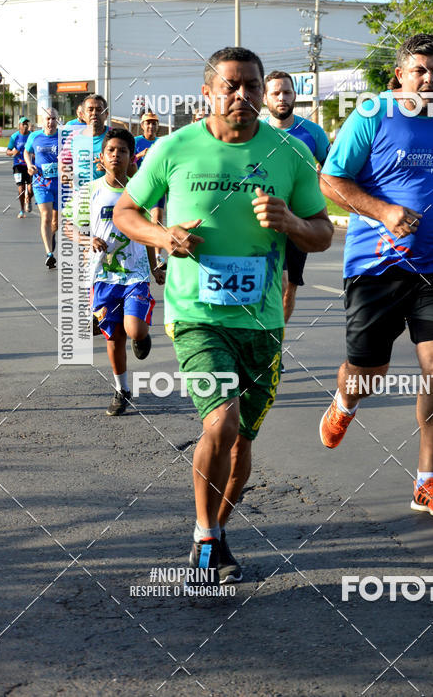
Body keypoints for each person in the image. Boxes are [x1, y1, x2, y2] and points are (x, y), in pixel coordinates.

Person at [114, 46, 333, 581]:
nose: (242, 95)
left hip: (261, 321)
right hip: (196, 316)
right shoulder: (175, 148)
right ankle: (206, 535)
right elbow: (126, 211)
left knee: (242, 443)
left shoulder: (289, 152)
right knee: (222, 419)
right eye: (230, 86)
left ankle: (213, 531)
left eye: (251, 86)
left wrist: (290, 223)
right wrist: (163, 236)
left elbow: (323, 231)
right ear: (208, 92)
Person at [319, 33, 433, 518]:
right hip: (375, 264)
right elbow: (331, 180)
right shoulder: (372, 114)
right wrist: (385, 211)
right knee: (370, 372)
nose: (430, 79)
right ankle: (345, 403)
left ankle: (427, 480)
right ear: (400, 75)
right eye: (420, 70)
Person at [63, 128, 165, 416]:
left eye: (122, 151)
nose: (116, 155)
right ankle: (121, 390)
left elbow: (148, 233)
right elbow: (68, 226)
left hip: (135, 274)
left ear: (132, 156)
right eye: (111, 150)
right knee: (114, 337)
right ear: (101, 157)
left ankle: (142, 336)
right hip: (102, 276)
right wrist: (87, 239)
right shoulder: (91, 191)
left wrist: (156, 264)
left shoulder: (141, 192)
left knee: (133, 330)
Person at [263, 70, 331, 324]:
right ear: (264, 98)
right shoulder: (256, 132)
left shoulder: (312, 133)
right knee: (275, 282)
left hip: (298, 221)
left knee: (289, 287)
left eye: (287, 92)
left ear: (295, 95)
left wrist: (318, 181)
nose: (282, 97)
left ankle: (275, 348)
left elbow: (334, 173)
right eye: (275, 93)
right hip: (263, 219)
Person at [24, 108, 60, 268]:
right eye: (48, 119)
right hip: (41, 183)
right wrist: (30, 164)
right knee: (45, 216)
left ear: (58, 120)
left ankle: (51, 236)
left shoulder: (64, 137)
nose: (50, 122)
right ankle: (49, 253)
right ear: (42, 121)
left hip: (60, 184)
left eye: (53, 119)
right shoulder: (34, 136)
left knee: (55, 222)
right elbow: (26, 151)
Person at [134, 111, 165, 267]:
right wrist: (140, 155)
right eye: (148, 123)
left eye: (154, 123)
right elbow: (127, 161)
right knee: (140, 221)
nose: (151, 126)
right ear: (142, 125)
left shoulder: (162, 143)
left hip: (157, 186)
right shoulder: (135, 142)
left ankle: (158, 256)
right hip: (139, 187)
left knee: (157, 219)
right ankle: (140, 253)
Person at [6, 117, 33, 217]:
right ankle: (22, 210)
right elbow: (7, 151)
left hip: (29, 164)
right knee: (21, 189)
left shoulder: (32, 135)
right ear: (19, 126)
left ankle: (29, 199)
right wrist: (13, 152)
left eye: (27, 123)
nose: (25, 125)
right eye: (23, 124)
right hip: (18, 165)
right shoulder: (14, 137)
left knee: (31, 190)